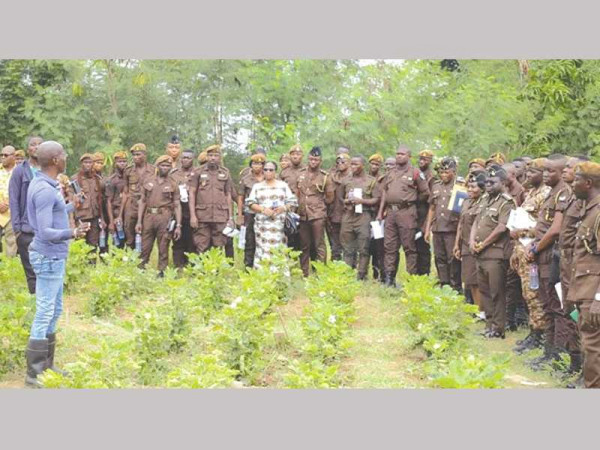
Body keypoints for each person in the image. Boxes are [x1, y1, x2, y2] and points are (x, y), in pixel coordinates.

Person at [24, 141, 90, 388]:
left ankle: (48, 365)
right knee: (44, 312)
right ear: (54, 160)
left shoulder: (47, 185)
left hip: (55, 256)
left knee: (55, 310)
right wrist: (73, 232)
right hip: (48, 256)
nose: (66, 157)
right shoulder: (43, 189)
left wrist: (73, 205)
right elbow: (44, 231)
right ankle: (34, 375)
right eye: (63, 154)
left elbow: (55, 212)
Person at [527, 155, 577, 370]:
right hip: (543, 255)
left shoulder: (564, 193)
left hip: (551, 255)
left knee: (555, 306)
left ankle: (557, 354)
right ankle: (549, 351)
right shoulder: (553, 192)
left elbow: (556, 229)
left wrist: (537, 247)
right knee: (547, 303)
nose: (547, 174)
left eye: (551, 171)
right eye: (545, 171)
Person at [511, 158, 551, 354]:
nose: (528, 175)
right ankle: (533, 330)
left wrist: (522, 231)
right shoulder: (531, 193)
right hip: (521, 248)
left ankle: (539, 334)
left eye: (533, 172)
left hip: (533, 250)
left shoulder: (546, 194)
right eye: (527, 172)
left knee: (535, 295)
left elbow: (543, 227)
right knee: (527, 293)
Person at [471, 165, 515, 338]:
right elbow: (476, 221)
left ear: (503, 182)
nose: (488, 184)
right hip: (480, 254)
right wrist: (472, 241)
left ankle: (498, 328)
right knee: (485, 291)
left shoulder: (506, 202)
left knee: (497, 292)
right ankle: (489, 325)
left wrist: (483, 244)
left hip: (495, 254)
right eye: (487, 181)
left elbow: (501, 228)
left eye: (492, 182)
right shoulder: (484, 199)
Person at [567, 161, 600, 388]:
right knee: (588, 346)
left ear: (588, 183)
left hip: (594, 292)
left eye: (577, 179)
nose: (572, 183)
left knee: (593, 348)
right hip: (583, 288)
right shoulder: (588, 210)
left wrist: (599, 299)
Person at [376, 146, 429, 287]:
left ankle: (410, 279)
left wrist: (411, 201)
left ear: (409, 157)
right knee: (389, 247)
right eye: (397, 153)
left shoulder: (415, 172)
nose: (399, 156)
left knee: (409, 247)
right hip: (391, 213)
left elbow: (425, 193)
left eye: (402, 154)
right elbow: (385, 193)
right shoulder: (390, 173)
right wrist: (381, 212)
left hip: (407, 212)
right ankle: (389, 278)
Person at [558, 155, 589, 378]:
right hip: (568, 262)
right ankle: (574, 362)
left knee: (582, 317)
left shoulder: (588, 202)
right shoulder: (571, 197)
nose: (565, 170)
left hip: (581, 266)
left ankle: (584, 369)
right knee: (570, 312)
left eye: (570, 167)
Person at [135, 155, 182, 274]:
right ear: (157, 166)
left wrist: (178, 225)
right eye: (163, 165)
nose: (165, 168)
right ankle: (141, 270)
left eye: (168, 166)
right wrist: (139, 221)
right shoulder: (148, 180)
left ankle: (161, 272)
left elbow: (177, 205)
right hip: (148, 217)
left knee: (163, 246)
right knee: (145, 247)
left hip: (164, 218)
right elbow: (142, 201)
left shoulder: (173, 183)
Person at [9, 136, 43, 293]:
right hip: (26, 228)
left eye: (39, 145)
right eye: (32, 145)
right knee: (30, 269)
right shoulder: (20, 171)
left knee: (46, 268)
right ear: (28, 148)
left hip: (45, 228)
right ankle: (34, 301)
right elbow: (14, 199)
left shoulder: (48, 170)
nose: (36, 147)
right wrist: (17, 229)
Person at [246, 161, 297, 268]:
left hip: (279, 225)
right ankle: (262, 277)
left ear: (275, 172)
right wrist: (263, 209)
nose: (268, 172)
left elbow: (292, 201)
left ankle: (280, 277)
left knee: (279, 250)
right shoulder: (257, 186)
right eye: (265, 169)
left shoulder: (283, 185)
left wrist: (282, 208)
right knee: (262, 250)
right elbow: (250, 203)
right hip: (262, 226)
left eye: (271, 170)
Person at [295, 146, 335, 277]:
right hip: (302, 214)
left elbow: (330, 198)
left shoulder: (325, 177)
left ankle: (320, 272)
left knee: (319, 245)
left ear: (320, 161)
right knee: (304, 245)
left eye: (316, 160)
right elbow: (297, 193)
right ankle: (304, 272)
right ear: (308, 159)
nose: (313, 162)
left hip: (317, 215)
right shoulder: (300, 174)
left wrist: (318, 206)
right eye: (311, 159)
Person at [424, 157, 462, 291]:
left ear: (454, 171)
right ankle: (444, 283)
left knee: (452, 259)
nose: (444, 175)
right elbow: (432, 208)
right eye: (441, 172)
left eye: (447, 172)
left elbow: (463, 211)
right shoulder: (436, 186)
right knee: (439, 257)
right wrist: (427, 229)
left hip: (452, 228)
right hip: (438, 227)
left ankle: (455, 286)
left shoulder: (460, 187)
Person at [340, 156, 380, 280]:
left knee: (364, 247)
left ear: (362, 165)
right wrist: (347, 201)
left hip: (364, 215)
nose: (352, 166)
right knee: (347, 247)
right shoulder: (346, 180)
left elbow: (376, 199)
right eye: (351, 164)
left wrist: (361, 201)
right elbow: (340, 197)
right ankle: (347, 274)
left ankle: (362, 275)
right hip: (348, 215)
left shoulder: (371, 181)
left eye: (355, 164)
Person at [189, 145, 234, 253]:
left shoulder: (225, 173)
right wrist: (193, 216)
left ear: (220, 157)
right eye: (210, 155)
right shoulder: (198, 172)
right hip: (202, 216)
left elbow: (228, 195)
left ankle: (216, 270)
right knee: (201, 245)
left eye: (215, 155)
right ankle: (202, 270)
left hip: (220, 216)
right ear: (207, 156)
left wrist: (230, 217)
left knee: (218, 247)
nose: (213, 158)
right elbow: (192, 193)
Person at [454, 170, 486, 318]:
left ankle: (482, 311)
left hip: (479, 246)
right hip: (465, 244)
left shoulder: (485, 202)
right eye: (469, 187)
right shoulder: (466, 201)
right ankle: (475, 309)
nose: (470, 190)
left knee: (478, 281)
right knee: (469, 280)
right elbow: (461, 223)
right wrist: (457, 244)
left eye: (474, 187)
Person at [119, 143, 155, 249]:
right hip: (131, 205)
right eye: (134, 155)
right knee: (129, 236)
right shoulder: (128, 170)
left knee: (146, 235)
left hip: (147, 205)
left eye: (138, 154)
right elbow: (125, 192)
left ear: (145, 155)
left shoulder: (154, 170)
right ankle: (131, 260)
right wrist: (121, 214)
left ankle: (142, 262)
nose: (135, 157)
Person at [71, 154, 106, 251]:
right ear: (81, 164)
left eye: (90, 162)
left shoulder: (97, 179)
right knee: (80, 246)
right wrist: (73, 223)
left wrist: (102, 219)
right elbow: (71, 202)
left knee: (93, 246)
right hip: (81, 219)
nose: (88, 165)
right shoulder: (75, 179)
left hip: (94, 218)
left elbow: (100, 201)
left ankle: (91, 266)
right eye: (85, 162)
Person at [237, 153, 266, 267]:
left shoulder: (269, 177)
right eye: (254, 163)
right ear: (251, 165)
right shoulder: (245, 179)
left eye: (260, 163)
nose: (257, 166)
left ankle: (263, 265)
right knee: (249, 240)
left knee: (264, 239)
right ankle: (248, 265)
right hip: (250, 214)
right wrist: (240, 215)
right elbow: (240, 198)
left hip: (265, 213)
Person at [170, 148, 197, 268]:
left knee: (193, 239)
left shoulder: (198, 173)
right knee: (177, 239)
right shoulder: (174, 174)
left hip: (193, 211)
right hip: (177, 210)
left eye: (188, 158)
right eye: (184, 157)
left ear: (193, 160)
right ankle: (178, 264)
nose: (185, 160)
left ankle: (191, 264)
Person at [280, 144, 305, 252]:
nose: (295, 156)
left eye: (298, 154)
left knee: (305, 239)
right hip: (289, 210)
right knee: (290, 237)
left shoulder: (307, 170)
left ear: (302, 156)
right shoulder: (284, 172)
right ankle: (291, 264)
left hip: (305, 210)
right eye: (293, 154)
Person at [327, 153, 351, 261]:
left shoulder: (352, 178)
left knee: (348, 244)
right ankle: (335, 267)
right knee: (335, 245)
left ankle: (349, 267)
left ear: (349, 163)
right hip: (334, 214)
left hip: (349, 215)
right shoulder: (331, 177)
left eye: (343, 162)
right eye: (338, 162)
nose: (340, 164)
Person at [416, 149, 435, 275]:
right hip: (414, 214)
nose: (422, 161)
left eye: (425, 159)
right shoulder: (416, 174)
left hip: (424, 214)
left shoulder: (432, 177)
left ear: (430, 161)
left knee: (423, 247)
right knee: (414, 246)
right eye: (420, 159)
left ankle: (424, 274)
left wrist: (427, 224)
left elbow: (431, 202)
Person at [105, 151, 128, 249]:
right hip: (117, 212)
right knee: (118, 242)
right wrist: (111, 221)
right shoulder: (112, 180)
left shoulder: (130, 177)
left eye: (124, 161)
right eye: (120, 161)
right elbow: (108, 201)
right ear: (115, 163)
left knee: (130, 240)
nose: (122, 164)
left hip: (129, 212)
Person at [368, 153, 385, 281]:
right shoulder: (364, 178)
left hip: (378, 217)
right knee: (365, 245)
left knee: (378, 246)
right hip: (365, 215)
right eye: (372, 164)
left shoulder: (382, 179)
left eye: (377, 164)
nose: (374, 166)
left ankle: (377, 273)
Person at [1, 145, 17, 256]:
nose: (2, 157)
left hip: (12, 211)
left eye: (5, 155)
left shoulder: (19, 171)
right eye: (1, 155)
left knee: (11, 242)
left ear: (13, 156)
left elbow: (22, 191)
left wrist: (8, 203)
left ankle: (10, 269)